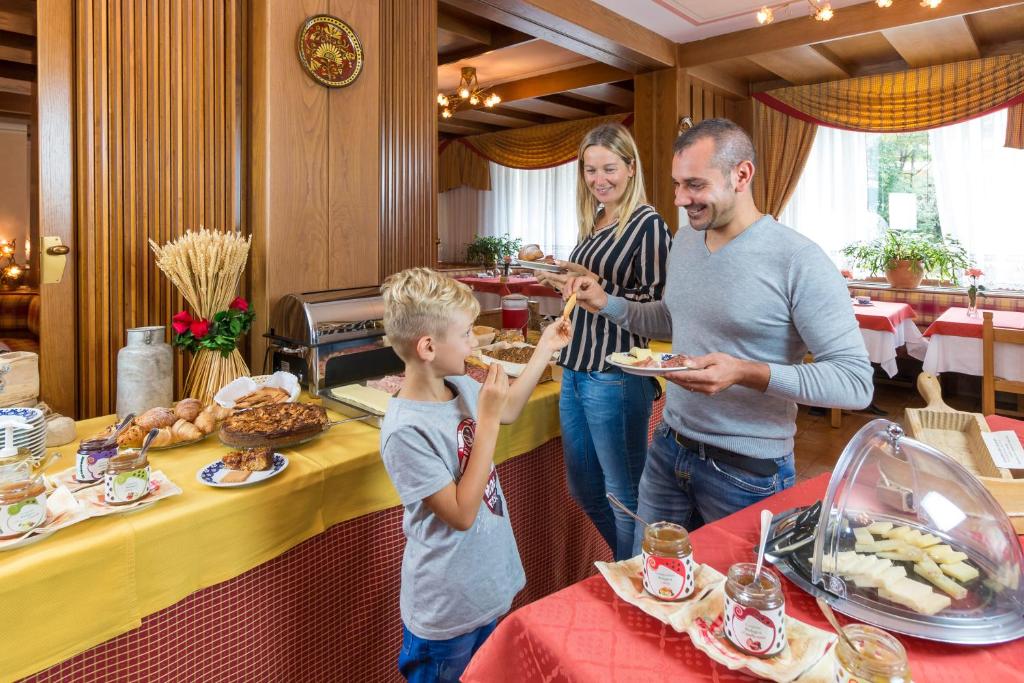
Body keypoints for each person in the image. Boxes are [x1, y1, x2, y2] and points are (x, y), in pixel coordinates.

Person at [563, 118, 873, 550]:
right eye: (676, 184)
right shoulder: (688, 242)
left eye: (694, 184)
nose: (680, 199)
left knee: (733, 602)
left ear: (741, 175)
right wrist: (607, 304)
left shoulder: (798, 259)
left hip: (746, 469)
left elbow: (855, 382)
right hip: (669, 448)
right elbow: (673, 320)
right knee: (649, 588)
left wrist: (745, 372)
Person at [379, 268, 571, 683]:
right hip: (446, 612)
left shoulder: (459, 383)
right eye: (466, 333)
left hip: (486, 587)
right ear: (428, 347)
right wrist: (485, 419)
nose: (473, 343)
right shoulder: (404, 430)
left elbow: (511, 410)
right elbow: (462, 513)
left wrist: (545, 351)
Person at [534, 122, 671, 561]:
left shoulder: (648, 224)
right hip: (575, 367)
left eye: (609, 168)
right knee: (585, 486)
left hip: (614, 373)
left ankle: (636, 580)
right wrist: (569, 282)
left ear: (631, 168)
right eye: (590, 170)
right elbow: (595, 287)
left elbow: (659, 312)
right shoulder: (596, 219)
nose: (599, 179)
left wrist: (601, 296)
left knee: (624, 491)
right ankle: (632, 569)